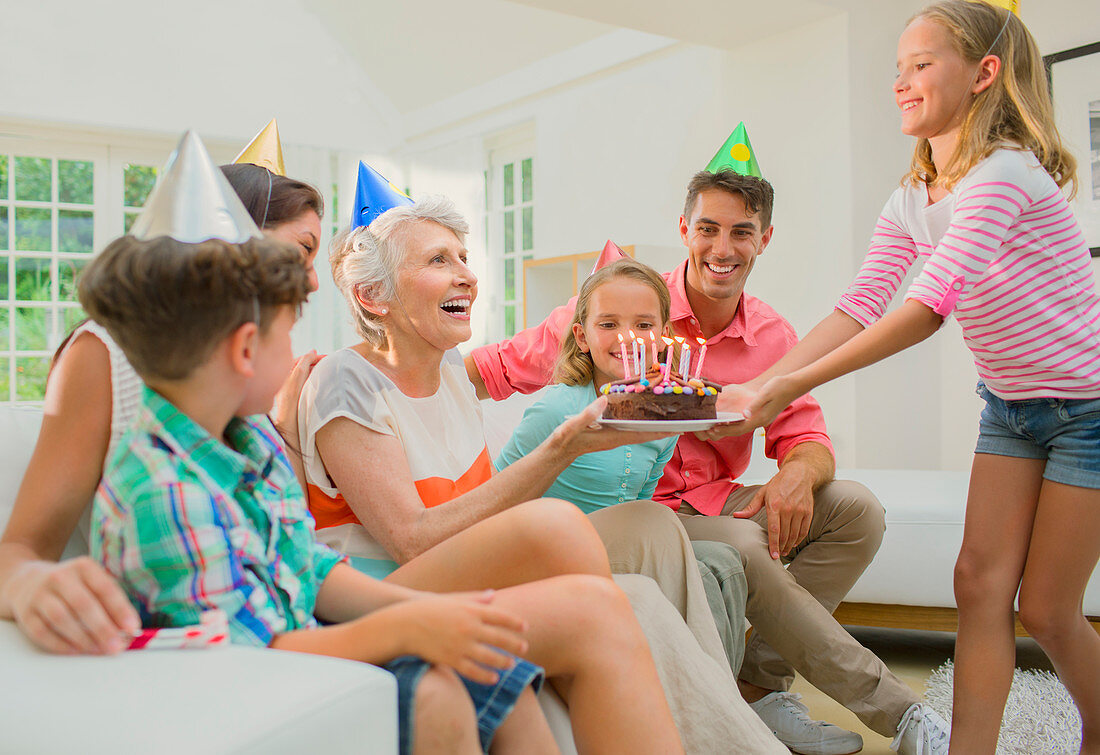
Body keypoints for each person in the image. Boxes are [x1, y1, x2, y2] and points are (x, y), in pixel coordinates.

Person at [466, 170, 950, 754]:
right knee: (744, 547)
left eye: (741, 232)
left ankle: (759, 688)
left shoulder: (770, 335)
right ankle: (897, 711)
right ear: (684, 231)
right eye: (708, 229)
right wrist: (388, 381)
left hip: (713, 498)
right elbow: (493, 370)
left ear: (763, 240)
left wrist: (796, 473)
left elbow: (808, 435)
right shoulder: (622, 306)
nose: (723, 249)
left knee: (857, 510)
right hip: (651, 516)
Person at [725, 3, 1099, 753]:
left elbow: (927, 309)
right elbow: (860, 306)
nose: (901, 82)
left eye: (921, 65)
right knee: (977, 585)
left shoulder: (1006, 175)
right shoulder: (912, 195)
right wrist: (764, 378)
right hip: (1010, 408)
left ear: (984, 74)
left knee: (1051, 608)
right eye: (897, 69)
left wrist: (779, 391)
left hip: (1087, 410)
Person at [299, 195, 784, 753]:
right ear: (371, 295)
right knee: (555, 528)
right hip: (384, 593)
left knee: (648, 544)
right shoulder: (344, 379)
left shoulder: (452, 374)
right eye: (438, 261)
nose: (467, 276)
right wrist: (565, 446)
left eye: (463, 258)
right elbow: (412, 542)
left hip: (464, 570)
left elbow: (479, 509)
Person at [79, 227, 552, 755]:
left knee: (502, 673)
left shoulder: (254, 440)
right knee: (437, 692)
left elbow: (308, 565)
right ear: (244, 350)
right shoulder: (165, 494)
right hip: (235, 691)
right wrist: (406, 627)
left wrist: (421, 611)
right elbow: (253, 652)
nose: (297, 355)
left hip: (297, 645)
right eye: (287, 337)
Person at [0, 153, 327, 656]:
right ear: (232, 246)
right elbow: (20, 550)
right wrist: (29, 585)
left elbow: (284, 544)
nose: (311, 281)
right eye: (301, 252)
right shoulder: (101, 354)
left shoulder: (241, 381)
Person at [494, 257, 748, 674]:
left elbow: (644, 502)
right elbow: (499, 495)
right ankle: (700, 687)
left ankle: (723, 689)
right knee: (700, 573)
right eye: (608, 324)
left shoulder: (668, 417)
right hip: (558, 552)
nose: (627, 337)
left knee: (724, 560)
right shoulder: (555, 410)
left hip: (628, 546)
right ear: (582, 336)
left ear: (664, 337)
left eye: (644, 325)